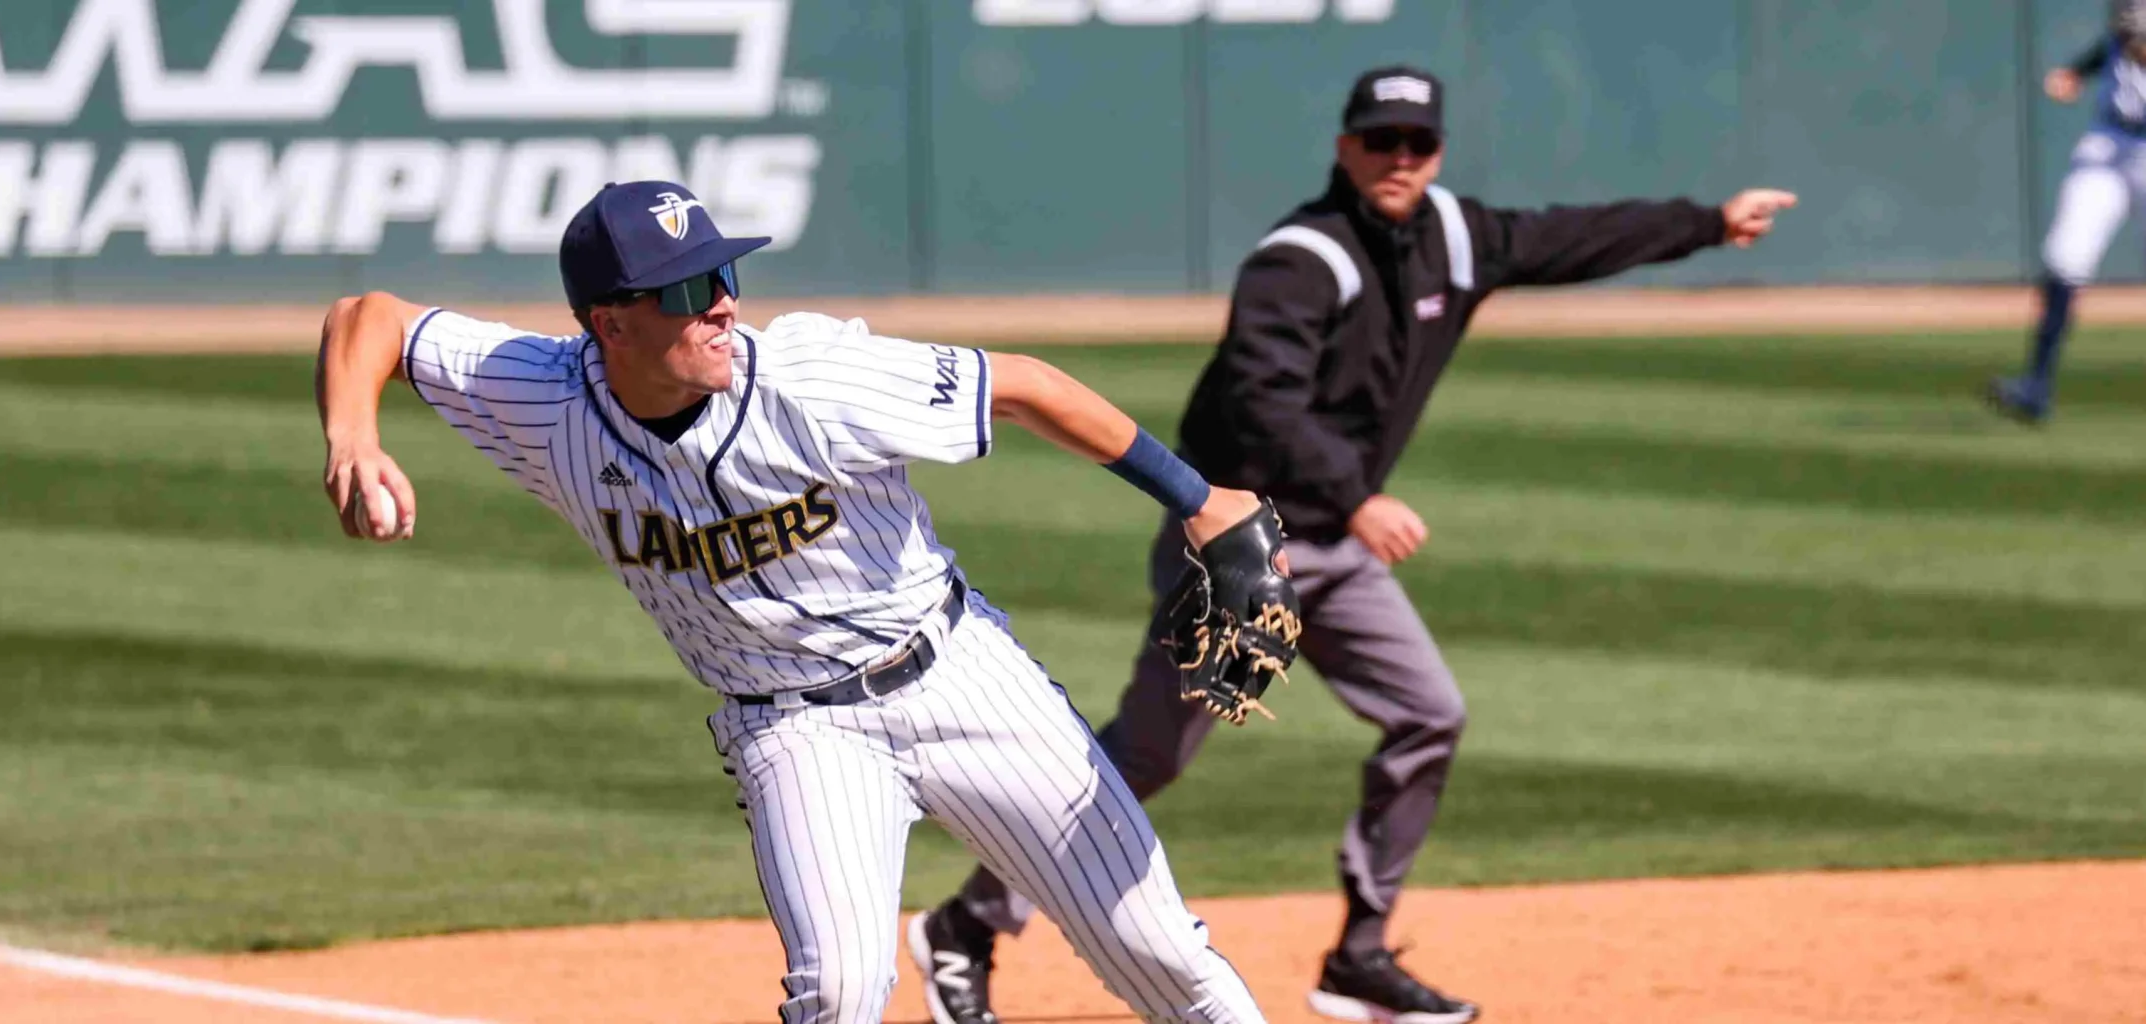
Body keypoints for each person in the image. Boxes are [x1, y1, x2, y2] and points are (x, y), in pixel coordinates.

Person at [905, 67, 1796, 1024]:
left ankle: (1359, 956)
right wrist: (1358, 495)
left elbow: (1570, 237)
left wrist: (1709, 221)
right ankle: (967, 924)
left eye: (1417, 142)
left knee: (1428, 715)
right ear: (1345, 147)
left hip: (1335, 544)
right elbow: (1261, 403)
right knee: (1152, 755)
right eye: (1381, 140)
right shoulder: (1299, 261)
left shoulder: (1456, 237)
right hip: (1243, 548)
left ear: (1439, 151)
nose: (1399, 159)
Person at [314, 180, 1281, 1024]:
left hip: (957, 677)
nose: (724, 305)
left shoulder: (815, 376)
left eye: (726, 276)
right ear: (610, 324)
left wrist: (1204, 501)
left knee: (1162, 957)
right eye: (690, 291)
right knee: (841, 994)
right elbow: (371, 316)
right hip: (795, 731)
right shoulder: (543, 395)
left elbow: (1022, 387)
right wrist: (352, 436)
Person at [1991, 0, 2146, 424]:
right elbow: (2118, 39)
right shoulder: (2125, 25)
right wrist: (2078, 72)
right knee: (2065, 257)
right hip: (2110, 141)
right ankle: (2036, 386)